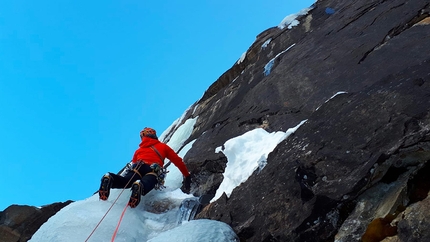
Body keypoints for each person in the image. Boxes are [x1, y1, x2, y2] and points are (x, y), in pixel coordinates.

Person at [98, 127, 191, 208]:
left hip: (137, 167)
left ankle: (110, 178)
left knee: (126, 181)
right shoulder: (163, 147)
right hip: (152, 169)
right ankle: (139, 186)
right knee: (149, 180)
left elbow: (133, 162)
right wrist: (187, 176)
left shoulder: (138, 150)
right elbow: (178, 161)